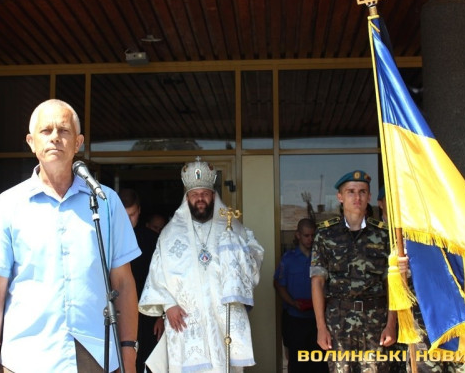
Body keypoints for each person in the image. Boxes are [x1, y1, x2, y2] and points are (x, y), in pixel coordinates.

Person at [0, 99, 140, 373]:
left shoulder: (105, 201)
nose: (54, 138)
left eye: (63, 130)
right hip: (26, 359)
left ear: (78, 143)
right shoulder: (7, 205)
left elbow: (123, 282)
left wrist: (128, 355)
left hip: (96, 355)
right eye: (45, 130)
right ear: (31, 142)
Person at [139, 157, 264, 372]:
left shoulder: (231, 227)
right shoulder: (169, 234)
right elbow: (156, 274)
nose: (200, 199)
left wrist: (236, 250)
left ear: (213, 196)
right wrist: (168, 305)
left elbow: (254, 256)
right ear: (187, 198)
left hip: (222, 318)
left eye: (205, 194)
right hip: (186, 321)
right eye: (194, 194)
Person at [310, 170, 396, 373]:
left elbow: (392, 284)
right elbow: (317, 282)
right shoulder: (325, 235)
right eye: (351, 191)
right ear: (340, 197)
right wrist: (321, 327)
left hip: (376, 321)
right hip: (338, 321)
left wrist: (391, 324)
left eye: (362, 192)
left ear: (369, 196)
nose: (357, 197)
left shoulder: (383, 235)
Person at [274, 218, 327, 373]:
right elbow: (279, 284)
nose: (310, 239)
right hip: (295, 319)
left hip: (318, 321)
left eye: (313, 235)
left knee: (320, 364)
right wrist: (293, 303)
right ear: (298, 235)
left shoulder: (322, 258)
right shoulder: (288, 259)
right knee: (297, 364)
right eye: (306, 235)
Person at [119, 188, 163, 373]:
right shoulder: (105, 238)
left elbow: (162, 278)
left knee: (147, 362)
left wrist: (161, 315)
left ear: (139, 211)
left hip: (147, 313)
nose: (128, 220)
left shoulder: (152, 240)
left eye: (132, 215)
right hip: (117, 312)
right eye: (124, 215)